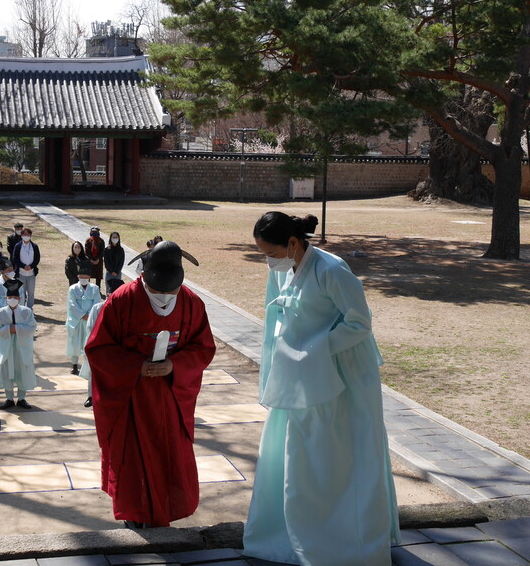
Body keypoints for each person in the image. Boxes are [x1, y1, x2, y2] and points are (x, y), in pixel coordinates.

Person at [243, 212, 399, 566]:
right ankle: (292, 534)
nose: (267, 259)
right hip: (297, 372)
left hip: (341, 373)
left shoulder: (332, 270)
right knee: (294, 451)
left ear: (294, 244)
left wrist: (315, 349)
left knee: (340, 452)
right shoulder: (283, 269)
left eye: (270, 252)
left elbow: (360, 323)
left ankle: (346, 541)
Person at [84, 240, 216, 528]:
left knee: (169, 457)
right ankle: (134, 515)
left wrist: (175, 365)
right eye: (157, 290)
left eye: (171, 291)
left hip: (170, 396)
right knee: (132, 459)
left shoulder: (191, 302)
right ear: (144, 275)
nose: (165, 296)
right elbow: (98, 348)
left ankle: (165, 512)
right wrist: (136, 366)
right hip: (130, 397)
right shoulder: (121, 301)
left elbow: (203, 348)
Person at [0, 279, 37, 410]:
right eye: (10, 297)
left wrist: (16, 329)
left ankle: (22, 398)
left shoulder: (26, 311)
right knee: (7, 370)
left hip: (22, 346)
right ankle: (9, 398)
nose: (13, 299)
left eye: (15, 297)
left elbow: (32, 326)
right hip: (7, 346)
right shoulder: (0, 313)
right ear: (6, 298)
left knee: (22, 369)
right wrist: (7, 330)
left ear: (20, 298)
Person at [79, 278, 124, 408]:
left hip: (118, 347)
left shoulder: (124, 309)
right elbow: (91, 327)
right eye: (111, 295)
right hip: (100, 346)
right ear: (107, 295)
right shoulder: (97, 308)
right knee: (95, 372)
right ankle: (91, 396)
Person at [66, 262, 101, 375]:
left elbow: (96, 303)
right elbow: (71, 304)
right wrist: (82, 315)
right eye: (81, 277)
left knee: (88, 341)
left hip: (89, 320)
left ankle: (88, 365)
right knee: (74, 341)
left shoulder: (95, 288)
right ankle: (74, 365)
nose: (84, 279)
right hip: (76, 320)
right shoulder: (72, 288)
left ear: (90, 277)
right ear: (78, 277)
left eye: (86, 277)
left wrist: (90, 315)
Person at [0, 258, 24, 353]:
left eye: (12, 270)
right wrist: (3, 315)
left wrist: (14, 313)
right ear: (2, 271)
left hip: (15, 316)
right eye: (9, 270)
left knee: (13, 341)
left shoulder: (17, 283)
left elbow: (22, 299)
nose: (11, 272)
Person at [11, 227, 39, 309]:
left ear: (30, 236)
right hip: (21, 273)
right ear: (21, 235)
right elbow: (15, 258)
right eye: (24, 234)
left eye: (28, 234)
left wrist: (31, 266)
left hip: (31, 273)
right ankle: (21, 308)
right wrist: (23, 266)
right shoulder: (18, 246)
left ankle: (30, 308)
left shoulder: (34, 246)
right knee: (21, 292)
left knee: (31, 293)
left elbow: (37, 258)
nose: (26, 236)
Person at [84, 226, 105, 293]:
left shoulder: (101, 241)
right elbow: (87, 251)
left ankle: (98, 289)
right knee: (88, 275)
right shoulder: (88, 241)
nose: (94, 235)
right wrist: (91, 260)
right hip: (89, 261)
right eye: (92, 233)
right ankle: (88, 289)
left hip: (99, 261)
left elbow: (102, 251)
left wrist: (98, 259)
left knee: (98, 276)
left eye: (95, 233)